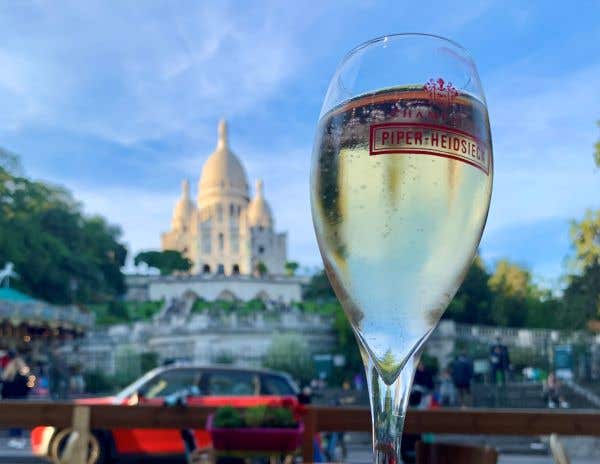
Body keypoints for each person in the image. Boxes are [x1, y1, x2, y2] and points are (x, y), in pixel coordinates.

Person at [1, 350, 31, 449]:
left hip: (11, 400)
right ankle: (18, 437)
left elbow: (4, 387)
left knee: (12, 419)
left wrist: (5, 397)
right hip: (22, 399)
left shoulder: (8, 371)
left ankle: (14, 438)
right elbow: (29, 385)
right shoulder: (23, 369)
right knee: (20, 418)